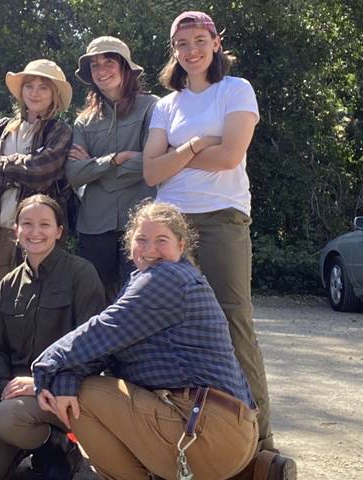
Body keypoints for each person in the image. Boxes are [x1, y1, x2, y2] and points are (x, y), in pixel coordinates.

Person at [142, 11, 292, 465]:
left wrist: (175, 154)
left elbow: (229, 157)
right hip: (170, 221)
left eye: (199, 40)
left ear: (215, 43)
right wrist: (194, 145)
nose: (191, 50)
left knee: (233, 323)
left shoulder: (236, 90)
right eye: (182, 43)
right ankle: (176, 437)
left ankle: (261, 444)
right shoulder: (165, 105)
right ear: (174, 50)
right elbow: (151, 171)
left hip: (222, 218)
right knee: (166, 325)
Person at [32, 201, 261, 480]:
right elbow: (107, 349)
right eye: (141, 240)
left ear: (181, 244)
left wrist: (44, 368)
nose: (150, 249)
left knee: (84, 396)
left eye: (161, 240)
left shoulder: (166, 277)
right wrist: (63, 379)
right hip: (220, 428)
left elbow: (103, 330)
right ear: (130, 244)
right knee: (75, 390)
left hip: (205, 430)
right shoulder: (151, 279)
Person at [0, 195, 106, 480]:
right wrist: (4, 385)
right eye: (27, 224)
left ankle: (62, 446)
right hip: (17, 400)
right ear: (15, 230)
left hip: (64, 394)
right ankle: (38, 443)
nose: (35, 232)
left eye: (44, 224)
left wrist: (42, 381)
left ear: (59, 231)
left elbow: (95, 346)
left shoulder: (81, 274)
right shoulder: (8, 283)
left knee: (7, 418)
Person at [0, 59, 73, 381]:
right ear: (20, 91)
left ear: (54, 94)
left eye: (43, 86)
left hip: (36, 238)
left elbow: (44, 170)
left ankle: (27, 396)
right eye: (30, 85)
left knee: (30, 319)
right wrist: (17, 170)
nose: (35, 91)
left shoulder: (60, 131)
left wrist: (2, 166)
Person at [66, 36, 158, 302]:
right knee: (95, 300)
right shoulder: (84, 121)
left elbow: (154, 162)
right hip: (95, 224)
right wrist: (115, 159)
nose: (101, 70)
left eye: (109, 61)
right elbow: (73, 174)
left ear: (125, 67)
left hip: (140, 219)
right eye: (94, 65)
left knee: (140, 298)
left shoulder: (152, 107)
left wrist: (94, 165)